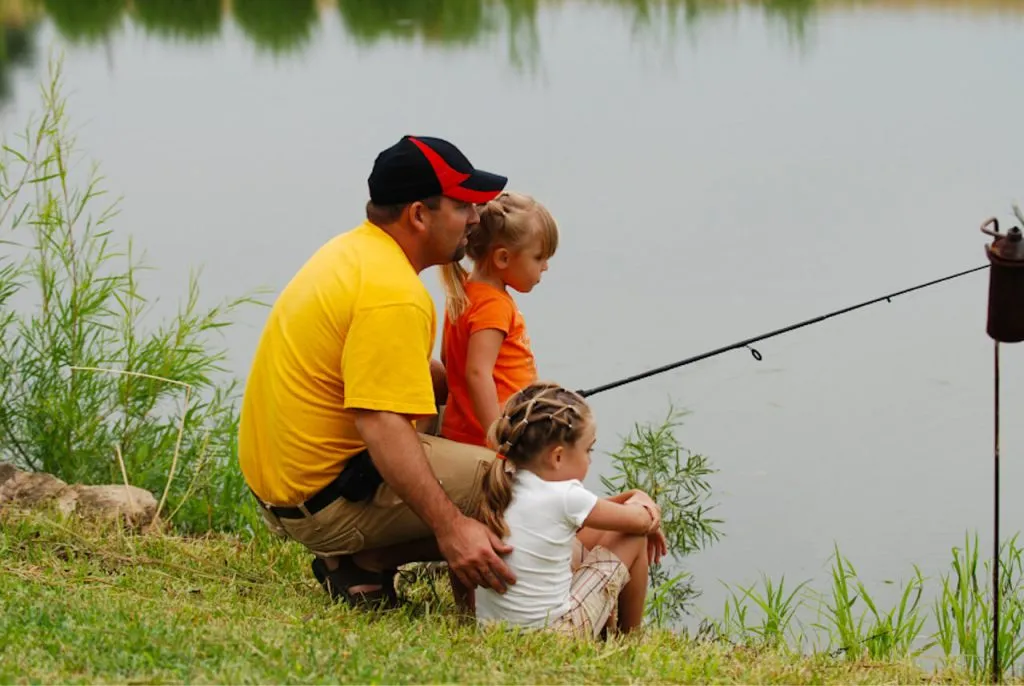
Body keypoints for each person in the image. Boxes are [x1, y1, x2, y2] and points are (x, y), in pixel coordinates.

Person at [238, 135, 518, 608]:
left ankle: (358, 561)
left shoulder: (352, 252)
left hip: (288, 492)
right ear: (418, 215)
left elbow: (387, 366)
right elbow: (381, 424)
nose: (476, 218)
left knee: (460, 423)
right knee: (514, 483)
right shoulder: (395, 294)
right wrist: (451, 529)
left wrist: (485, 393)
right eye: (464, 205)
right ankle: (361, 559)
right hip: (324, 503)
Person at [474, 381, 669, 639]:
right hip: (553, 636)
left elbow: (597, 515)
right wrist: (644, 501)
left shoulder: (505, 479)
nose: (590, 459)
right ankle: (629, 641)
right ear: (557, 457)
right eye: (588, 450)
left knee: (580, 542)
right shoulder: (566, 497)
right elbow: (640, 522)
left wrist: (633, 496)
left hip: (495, 631)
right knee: (633, 538)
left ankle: (604, 633)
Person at [438, 192, 558, 447]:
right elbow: (477, 373)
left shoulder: (463, 292)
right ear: (503, 258)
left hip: (462, 431)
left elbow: (449, 360)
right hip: (487, 440)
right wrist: (498, 438)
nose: (545, 266)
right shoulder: (493, 305)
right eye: (539, 257)